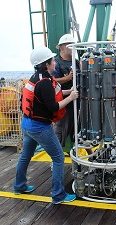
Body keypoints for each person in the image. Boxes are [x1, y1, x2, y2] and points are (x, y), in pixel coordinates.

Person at [14, 46, 78, 205]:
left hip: (27, 124)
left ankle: (19, 185)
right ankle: (58, 195)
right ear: (46, 63)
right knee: (58, 158)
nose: (55, 62)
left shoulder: (37, 77)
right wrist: (71, 98)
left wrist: (69, 91)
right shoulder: (44, 82)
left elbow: (50, 95)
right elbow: (53, 107)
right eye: (52, 60)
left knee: (25, 155)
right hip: (40, 127)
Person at [52, 34, 80, 149]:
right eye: (70, 45)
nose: (73, 48)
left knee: (78, 130)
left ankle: (84, 155)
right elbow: (52, 82)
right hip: (63, 104)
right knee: (60, 131)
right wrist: (67, 78)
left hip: (77, 103)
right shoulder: (56, 63)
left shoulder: (77, 62)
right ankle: (55, 158)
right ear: (61, 47)